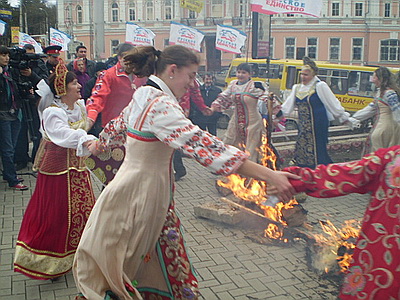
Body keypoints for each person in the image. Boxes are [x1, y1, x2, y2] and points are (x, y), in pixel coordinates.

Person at [73, 45, 299, 300]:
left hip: (126, 191)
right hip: (145, 198)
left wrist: (96, 143)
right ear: (172, 70)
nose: (193, 84)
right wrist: (271, 176)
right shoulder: (161, 105)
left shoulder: (143, 94)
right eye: (191, 76)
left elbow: (115, 127)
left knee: (136, 263)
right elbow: (207, 147)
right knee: (139, 266)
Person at [14, 61, 97, 280]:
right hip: (57, 169)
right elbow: (63, 136)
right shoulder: (52, 112)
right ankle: (50, 261)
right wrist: (88, 139)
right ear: (62, 88)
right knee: (57, 213)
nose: (79, 85)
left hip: (78, 168)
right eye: (74, 83)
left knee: (84, 210)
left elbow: (85, 126)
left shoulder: (79, 106)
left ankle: (80, 255)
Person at [285, 145, 400, 299]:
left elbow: (347, 174)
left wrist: (292, 179)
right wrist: (293, 179)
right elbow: (347, 174)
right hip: (381, 270)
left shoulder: (393, 158)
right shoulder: (393, 159)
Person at [281, 57, 355, 168]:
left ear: (313, 75)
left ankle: (320, 169)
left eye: (306, 75)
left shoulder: (320, 86)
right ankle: (304, 169)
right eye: (301, 74)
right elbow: (287, 106)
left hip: (318, 123)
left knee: (317, 148)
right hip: (303, 125)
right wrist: (277, 113)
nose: (303, 77)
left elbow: (332, 103)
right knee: (302, 146)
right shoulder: (297, 88)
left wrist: (344, 117)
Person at [210, 63, 269, 162]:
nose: (240, 75)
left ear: (250, 74)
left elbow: (268, 99)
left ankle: (250, 172)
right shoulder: (233, 84)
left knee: (251, 147)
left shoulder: (255, 86)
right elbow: (224, 97)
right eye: (238, 72)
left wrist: (276, 115)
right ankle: (228, 166)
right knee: (230, 141)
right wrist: (213, 107)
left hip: (253, 122)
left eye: (244, 73)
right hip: (236, 120)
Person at [86, 43, 147, 130]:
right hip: (112, 126)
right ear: (120, 58)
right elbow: (97, 97)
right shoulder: (107, 75)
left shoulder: (140, 75)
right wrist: (91, 117)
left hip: (135, 125)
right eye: (127, 57)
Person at [14, 44, 49, 171]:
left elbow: (45, 82)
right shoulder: (15, 65)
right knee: (21, 132)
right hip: (20, 102)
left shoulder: (38, 64)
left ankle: (36, 157)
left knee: (37, 130)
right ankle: (21, 159)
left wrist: (31, 74)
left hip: (36, 102)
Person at [351, 66, 400, 155]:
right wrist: (353, 118)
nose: (372, 80)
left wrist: (352, 118)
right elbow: (371, 108)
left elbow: (397, 111)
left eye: (374, 77)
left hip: (387, 128)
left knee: (378, 149)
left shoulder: (389, 93)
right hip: (383, 126)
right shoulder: (381, 93)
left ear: (381, 79)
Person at [0, 45, 28, 190]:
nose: (7, 58)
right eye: (3, 55)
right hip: (3, 114)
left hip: (16, 112)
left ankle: (9, 173)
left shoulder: (9, 71)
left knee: (13, 145)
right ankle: (12, 179)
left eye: (8, 55)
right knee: (7, 148)